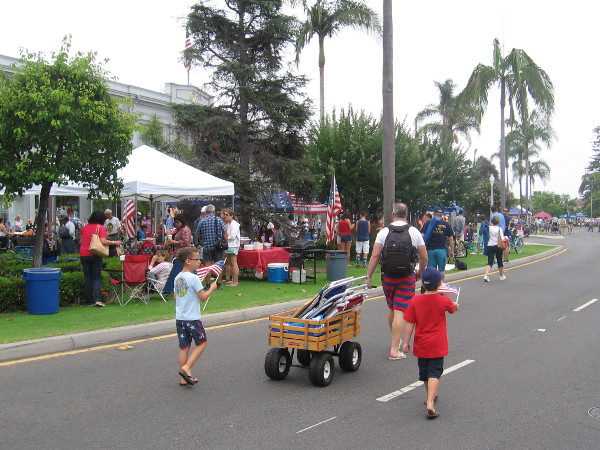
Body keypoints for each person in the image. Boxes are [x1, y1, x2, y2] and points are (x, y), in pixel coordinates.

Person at [366, 203, 427, 360]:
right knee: (401, 310)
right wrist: (420, 271)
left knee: (392, 307)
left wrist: (368, 276)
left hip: (388, 276)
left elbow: (375, 256)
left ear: (393, 214)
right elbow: (423, 256)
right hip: (406, 276)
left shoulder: (384, 232)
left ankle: (395, 337)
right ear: (406, 215)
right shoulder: (414, 232)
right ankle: (394, 349)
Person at [402, 267, 459, 419]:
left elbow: (409, 322)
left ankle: (430, 396)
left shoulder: (415, 300)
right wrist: (456, 306)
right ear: (440, 283)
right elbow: (452, 309)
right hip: (437, 343)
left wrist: (406, 341)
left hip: (422, 343)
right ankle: (430, 403)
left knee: (425, 373)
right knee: (435, 372)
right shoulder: (444, 300)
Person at [174, 247, 217, 386]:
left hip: (180, 318)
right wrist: (211, 288)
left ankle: (184, 377)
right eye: (197, 259)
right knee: (202, 342)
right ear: (188, 261)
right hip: (192, 318)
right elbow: (203, 297)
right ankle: (187, 367)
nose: (199, 261)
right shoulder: (194, 278)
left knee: (184, 347)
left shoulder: (178, 277)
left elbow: (176, 296)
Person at [80, 210, 121, 307]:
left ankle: (89, 300)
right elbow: (103, 241)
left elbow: (81, 240)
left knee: (87, 277)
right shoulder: (100, 228)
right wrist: (115, 242)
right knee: (96, 277)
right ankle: (97, 300)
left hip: (83, 253)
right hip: (95, 253)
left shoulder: (85, 227)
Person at [196, 204, 227, 289]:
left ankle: (208, 284)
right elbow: (225, 233)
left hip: (206, 247)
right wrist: (227, 242)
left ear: (206, 212)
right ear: (213, 211)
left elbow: (198, 235)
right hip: (218, 246)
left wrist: (204, 238)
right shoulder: (218, 220)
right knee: (219, 265)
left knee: (207, 265)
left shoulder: (202, 221)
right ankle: (218, 284)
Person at [483, 215, 506, 282]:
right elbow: (502, 238)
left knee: (490, 261)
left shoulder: (489, 228)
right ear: (498, 222)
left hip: (490, 245)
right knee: (499, 261)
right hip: (498, 246)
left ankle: (486, 275)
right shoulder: (499, 229)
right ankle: (501, 276)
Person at [222, 208, 240, 287]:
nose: (225, 216)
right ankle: (233, 280)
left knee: (234, 263)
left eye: (227, 215)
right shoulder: (229, 224)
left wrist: (225, 237)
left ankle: (235, 282)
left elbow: (232, 236)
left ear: (231, 216)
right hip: (230, 245)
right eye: (224, 215)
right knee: (230, 263)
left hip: (233, 245)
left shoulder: (234, 224)